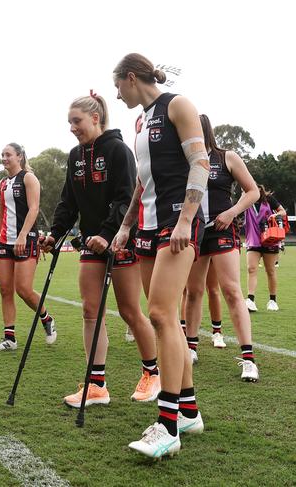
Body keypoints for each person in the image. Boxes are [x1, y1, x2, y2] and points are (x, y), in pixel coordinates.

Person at [111, 53, 207, 458]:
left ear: (131, 78)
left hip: (176, 222)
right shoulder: (140, 120)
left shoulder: (178, 105)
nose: (117, 94)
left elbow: (199, 163)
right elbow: (141, 182)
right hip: (149, 226)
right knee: (166, 318)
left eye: (118, 86)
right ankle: (187, 410)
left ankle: (168, 426)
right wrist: (126, 225)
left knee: (162, 315)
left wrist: (186, 219)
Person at [41, 91, 160, 406]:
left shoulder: (119, 151)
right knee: (90, 310)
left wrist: (108, 235)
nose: (72, 128)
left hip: (120, 240)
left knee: (129, 311)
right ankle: (97, 385)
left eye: (76, 121)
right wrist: (54, 234)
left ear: (95, 118)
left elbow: (125, 199)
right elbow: (69, 202)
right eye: (69, 122)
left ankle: (153, 373)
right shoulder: (75, 156)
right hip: (91, 243)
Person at [184, 114, 260, 382]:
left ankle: (249, 359)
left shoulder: (226, 157)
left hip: (222, 230)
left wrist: (231, 212)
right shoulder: (183, 160)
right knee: (193, 292)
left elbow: (253, 191)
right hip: (194, 232)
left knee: (231, 290)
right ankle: (190, 348)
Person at [0, 143, 56, 350]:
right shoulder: (2, 184)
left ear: (20, 156)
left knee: (23, 289)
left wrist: (23, 235)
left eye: (8, 154)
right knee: (5, 290)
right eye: (2, 155)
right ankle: (10, 338)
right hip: (4, 243)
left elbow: (34, 209)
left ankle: (47, 319)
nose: (4, 158)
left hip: (25, 240)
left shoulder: (28, 178)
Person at [244, 185, 287, 312]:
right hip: (253, 239)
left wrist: (275, 215)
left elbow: (283, 212)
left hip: (270, 239)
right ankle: (250, 299)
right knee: (251, 269)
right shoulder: (246, 200)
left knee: (271, 271)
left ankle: (273, 300)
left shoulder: (269, 199)